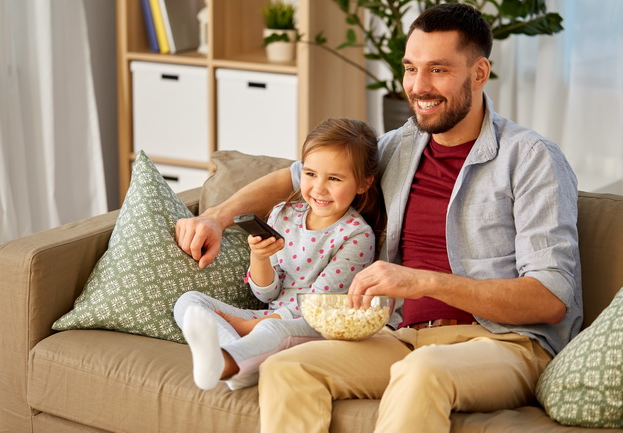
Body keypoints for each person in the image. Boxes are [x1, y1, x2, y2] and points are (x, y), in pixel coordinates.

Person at [175, 3, 582, 432]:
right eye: (411, 68)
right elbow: (294, 178)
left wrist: (420, 280)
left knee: (424, 369)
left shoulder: (531, 158)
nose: (418, 87)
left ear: (479, 74)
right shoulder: (398, 149)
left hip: (503, 344)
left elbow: (550, 298)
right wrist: (217, 218)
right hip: (400, 335)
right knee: (288, 367)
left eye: (438, 70)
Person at [173, 118, 380, 391]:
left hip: (316, 326)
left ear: (363, 184)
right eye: (310, 174)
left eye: (334, 178)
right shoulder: (284, 213)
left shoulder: (356, 235)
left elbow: (316, 307)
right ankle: (237, 365)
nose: (318, 188)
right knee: (189, 301)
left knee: (271, 330)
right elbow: (267, 295)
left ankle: (230, 361)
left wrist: (252, 326)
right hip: (271, 315)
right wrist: (259, 257)